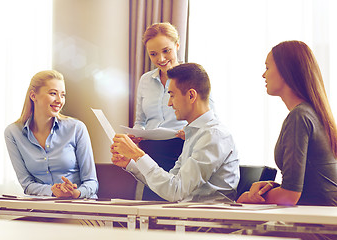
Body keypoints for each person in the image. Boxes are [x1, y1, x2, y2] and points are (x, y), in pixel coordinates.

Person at [111, 63, 239, 202]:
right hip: (187, 218)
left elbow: (175, 191)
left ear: (191, 95)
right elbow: (168, 185)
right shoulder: (195, 133)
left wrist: (137, 154)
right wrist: (132, 163)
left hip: (206, 221)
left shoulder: (213, 135)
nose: (169, 104)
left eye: (172, 95)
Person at [237, 41, 337, 206]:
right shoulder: (311, 113)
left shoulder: (299, 117)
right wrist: (273, 187)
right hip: (320, 218)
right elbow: (309, 186)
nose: (263, 75)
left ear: (285, 71)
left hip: (315, 224)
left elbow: (290, 197)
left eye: (267, 68)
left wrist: (247, 198)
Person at [133, 22, 214, 200]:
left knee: (176, 197)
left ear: (177, 46)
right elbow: (140, 119)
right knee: (150, 205)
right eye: (153, 54)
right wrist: (137, 133)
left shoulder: (192, 76)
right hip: (151, 149)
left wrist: (188, 132)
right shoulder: (145, 80)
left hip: (181, 146)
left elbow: (208, 116)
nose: (161, 58)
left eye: (166, 51)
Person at [4, 70, 98, 199]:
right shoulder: (13, 133)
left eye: (63, 95)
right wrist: (52, 191)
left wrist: (75, 193)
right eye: (53, 93)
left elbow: (92, 182)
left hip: (80, 207)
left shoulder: (76, 128)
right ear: (33, 96)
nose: (59, 100)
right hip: (43, 210)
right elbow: (26, 184)